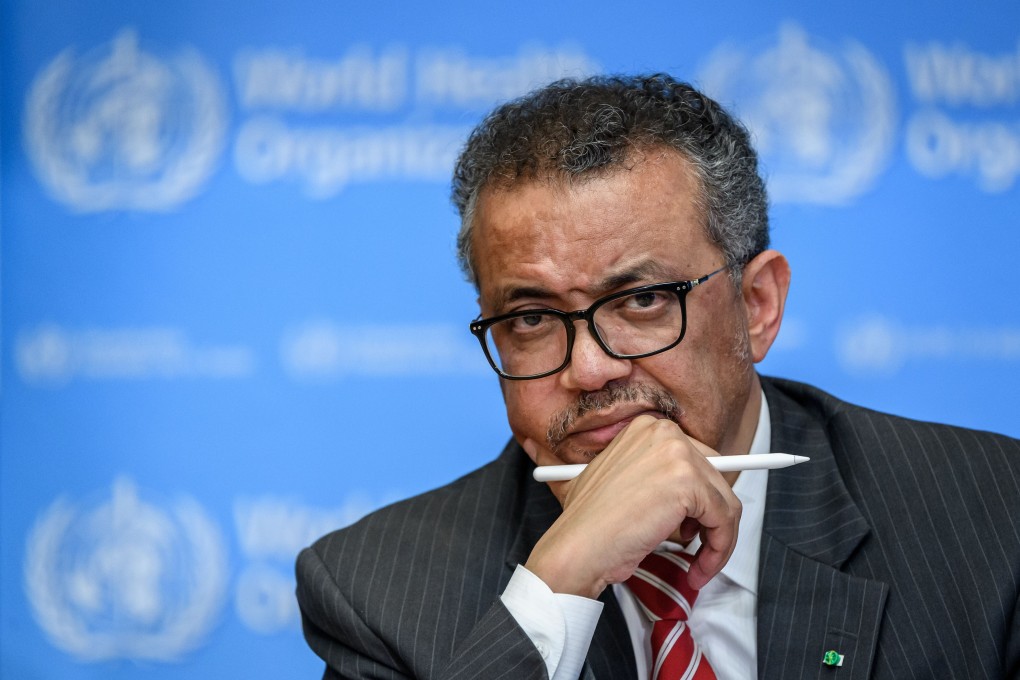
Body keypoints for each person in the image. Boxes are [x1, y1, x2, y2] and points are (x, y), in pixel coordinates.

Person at [296, 74, 1020, 679]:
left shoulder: (991, 520)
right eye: (531, 319)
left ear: (757, 307)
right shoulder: (378, 591)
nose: (588, 368)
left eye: (641, 300)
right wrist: (559, 583)